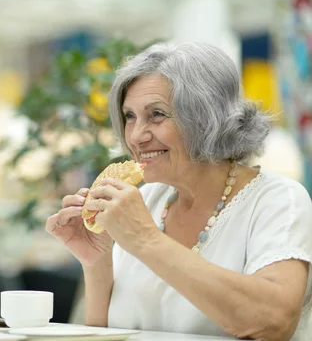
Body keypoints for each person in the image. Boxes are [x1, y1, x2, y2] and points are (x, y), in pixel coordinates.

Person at [47, 42, 312, 340]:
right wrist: (97, 263)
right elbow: (107, 334)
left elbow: (272, 323)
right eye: (130, 116)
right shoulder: (146, 198)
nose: (135, 136)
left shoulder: (278, 200)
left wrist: (146, 240)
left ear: (205, 117)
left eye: (156, 114)